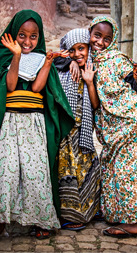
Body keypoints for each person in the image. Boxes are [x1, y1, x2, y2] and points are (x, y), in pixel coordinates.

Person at [0, 10, 75, 243]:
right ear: (13, 34)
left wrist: (49, 61)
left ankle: (39, 220)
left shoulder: (41, 58)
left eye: (33, 36)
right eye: (22, 35)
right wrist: (17, 56)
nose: (27, 41)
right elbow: (10, 85)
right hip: (10, 123)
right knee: (6, 172)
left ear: (39, 37)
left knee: (35, 173)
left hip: (33, 124)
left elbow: (37, 89)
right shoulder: (4, 56)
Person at [89, 16, 137, 238]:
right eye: (97, 35)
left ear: (114, 40)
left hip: (133, 122)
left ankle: (132, 223)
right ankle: (124, 213)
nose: (101, 42)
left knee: (128, 170)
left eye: (107, 38)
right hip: (117, 124)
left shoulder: (117, 60)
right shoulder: (93, 61)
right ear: (89, 33)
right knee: (116, 167)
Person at [52, 28, 101, 231]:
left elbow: (95, 105)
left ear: (88, 48)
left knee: (87, 170)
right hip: (66, 132)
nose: (77, 54)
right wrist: (67, 61)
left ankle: (92, 209)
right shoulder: (62, 69)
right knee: (69, 172)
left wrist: (89, 82)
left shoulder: (93, 70)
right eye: (71, 51)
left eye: (81, 48)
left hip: (84, 131)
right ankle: (73, 215)